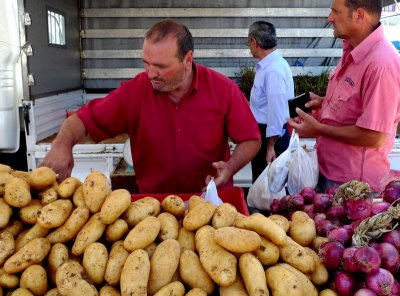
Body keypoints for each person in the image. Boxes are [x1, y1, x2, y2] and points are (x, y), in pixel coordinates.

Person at [41, 19, 261, 194]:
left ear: (187, 59)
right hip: (154, 210)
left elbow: (251, 139)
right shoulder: (134, 92)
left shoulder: (222, 90)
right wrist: (62, 145)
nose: (150, 73)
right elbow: (80, 120)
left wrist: (230, 167)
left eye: (160, 66)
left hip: (210, 204)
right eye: (146, 63)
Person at [289, 0, 400, 192]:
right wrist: (324, 102)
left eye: (335, 12)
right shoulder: (352, 49)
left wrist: (319, 129)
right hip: (329, 173)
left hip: (353, 187)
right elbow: (355, 103)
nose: (329, 18)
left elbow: (374, 136)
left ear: (359, 15)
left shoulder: (381, 64)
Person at [247, 21, 294, 182]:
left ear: (254, 42)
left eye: (249, 42)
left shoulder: (273, 69)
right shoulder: (269, 66)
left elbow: (277, 111)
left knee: (269, 192)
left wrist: (270, 147)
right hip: (266, 134)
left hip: (271, 137)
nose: (249, 47)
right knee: (263, 189)